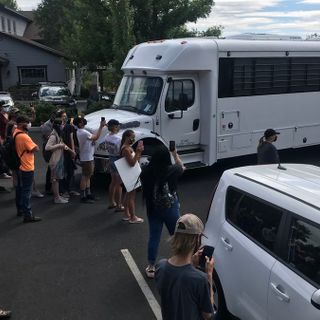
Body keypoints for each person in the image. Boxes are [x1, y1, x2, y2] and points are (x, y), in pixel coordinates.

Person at [155, 213, 215, 320]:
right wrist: (209, 275)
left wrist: (191, 264)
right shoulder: (200, 279)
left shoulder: (160, 266)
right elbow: (207, 315)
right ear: (197, 239)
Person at [141, 144, 185, 278]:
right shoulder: (171, 170)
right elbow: (182, 167)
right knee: (177, 235)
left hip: (153, 208)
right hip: (170, 207)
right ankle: (180, 261)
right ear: (166, 158)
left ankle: (151, 266)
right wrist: (175, 154)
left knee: (154, 237)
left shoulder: (146, 172)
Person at [13, 115, 41, 222]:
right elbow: (36, 148)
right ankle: (27, 215)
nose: (28, 124)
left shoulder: (16, 132)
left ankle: (20, 210)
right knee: (26, 192)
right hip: (27, 166)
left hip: (21, 165)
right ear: (20, 124)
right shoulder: (24, 137)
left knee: (20, 189)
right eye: (26, 122)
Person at [74, 116, 106, 203]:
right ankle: (83, 196)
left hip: (88, 157)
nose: (84, 121)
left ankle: (88, 194)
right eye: (81, 121)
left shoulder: (80, 132)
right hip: (87, 158)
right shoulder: (83, 132)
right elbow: (96, 137)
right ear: (80, 123)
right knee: (85, 177)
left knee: (88, 176)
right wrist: (101, 126)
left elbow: (91, 139)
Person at [45, 118, 76, 204]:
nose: (63, 126)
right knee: (55, 179)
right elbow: (47, 147)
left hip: (58, 159)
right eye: (62, 124)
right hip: (55, 160)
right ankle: (57, 198)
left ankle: (57, 196)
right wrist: (59, 145)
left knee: (57, 179)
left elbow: (63, 145)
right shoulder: (53, 135)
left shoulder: (57, 134)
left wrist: (71, 151)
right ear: (58, 125)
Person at [120, 129, 144, 223]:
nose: (133, 139)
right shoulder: (126, 149)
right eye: (132, 137)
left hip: (130, 174)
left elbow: (136, 159)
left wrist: (139, 152)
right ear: (127, 137)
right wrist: (138, 151)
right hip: (130, 174)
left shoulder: (128, 147)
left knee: (128, 194)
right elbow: (132, 163)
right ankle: (133, 217)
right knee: (131, 197)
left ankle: (126, 214)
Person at [58, 110, 79, 197]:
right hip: (62, 151)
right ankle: (63, 191)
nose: (65, 117)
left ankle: (69, 189)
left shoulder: (68, 126)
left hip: (67, 151)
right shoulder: (58, 127)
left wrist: (72, 151)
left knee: (70, 171)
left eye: (65, 116)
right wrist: (73, 151)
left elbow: (72, 140)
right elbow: (71, 140)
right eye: (63, 116)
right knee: (63, 172)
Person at [105, 119, 123, 211]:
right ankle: (119, 205)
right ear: (115, 127)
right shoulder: (118, 139)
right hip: (117, 160)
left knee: (113, 182)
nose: (119, 127)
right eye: (118, 125)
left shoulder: (107, 136)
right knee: (118, 184)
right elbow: (121, 151)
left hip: (110, 158)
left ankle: (112, 202)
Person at [41, 111, 56, 194]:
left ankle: (50, 187)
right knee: (51, 168)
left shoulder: (53, 123)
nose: (54, 117)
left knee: (52, 168)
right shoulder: (47, 125)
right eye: (53, 115)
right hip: (48, 149)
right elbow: (50, 138)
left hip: (52, 148)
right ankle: (48, 187)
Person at [0, 101, 11, 179]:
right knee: (2, 155)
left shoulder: (5, 115)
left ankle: (6, 171)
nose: (5, 108)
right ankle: (2, 172)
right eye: (3, 106)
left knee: (6, 155)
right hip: (1, 138)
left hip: (6, 137)